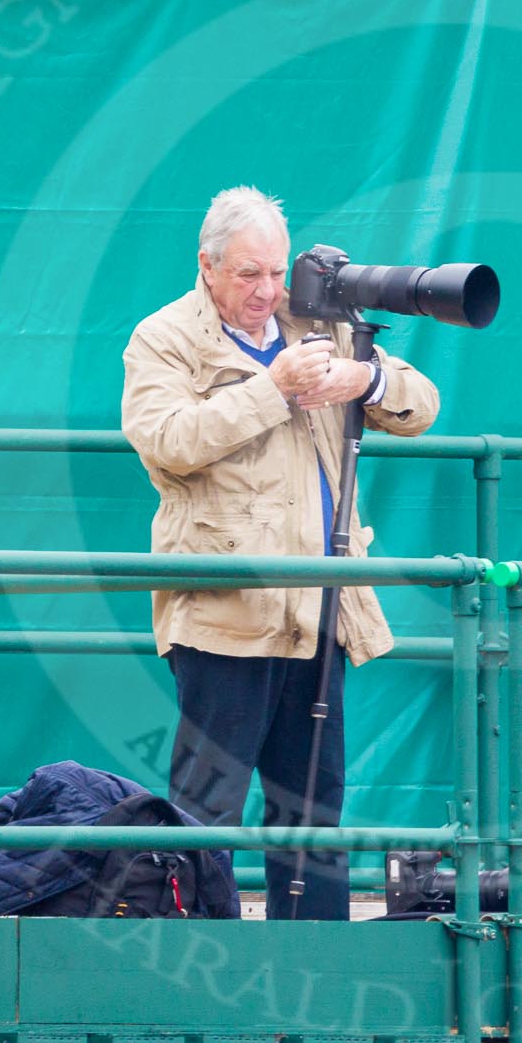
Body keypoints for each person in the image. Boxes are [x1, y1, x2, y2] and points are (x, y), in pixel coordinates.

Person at [121, 186, 441, 920]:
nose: (267, 291)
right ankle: (205, 984)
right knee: (208, 808)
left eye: (274, 272)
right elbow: (168, 442)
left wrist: (368, 378)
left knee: (314, 809)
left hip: (321, 604)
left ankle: (312, 990)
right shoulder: (163, 338)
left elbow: (422, 405)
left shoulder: (316, 322)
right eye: (247, 275)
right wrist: (272, 390)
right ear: (206, 267)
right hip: (224, 610)